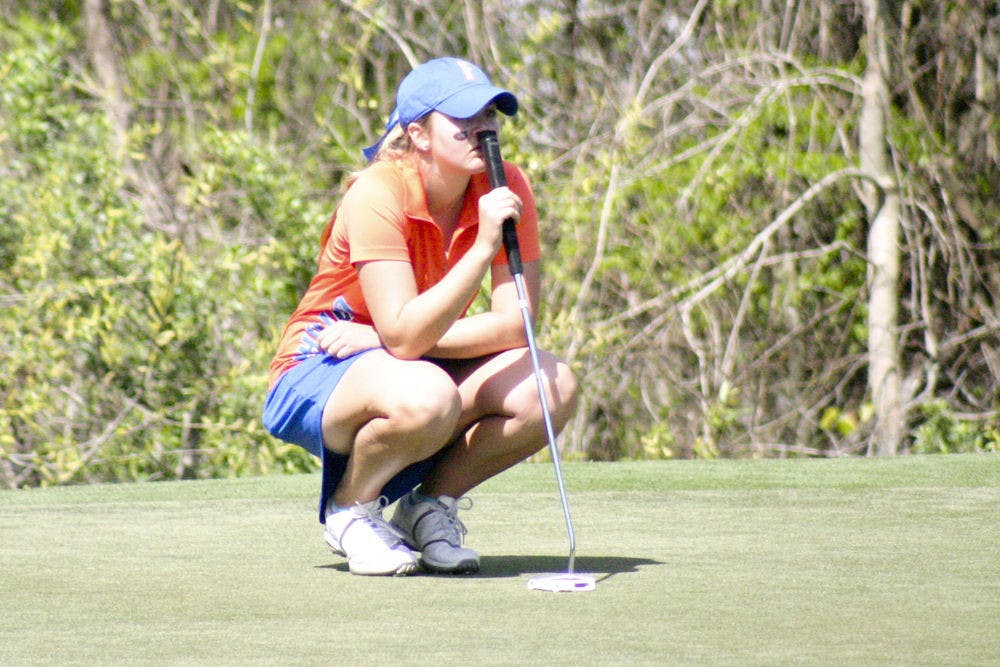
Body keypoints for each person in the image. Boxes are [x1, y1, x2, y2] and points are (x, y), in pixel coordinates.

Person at [262, 57, 578, 576]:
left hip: (390, 352)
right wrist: (479, 251)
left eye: (490, 118)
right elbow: (405, 336)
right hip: (320, 359)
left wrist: (383, 340)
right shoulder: (377, 192)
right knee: (429, 395)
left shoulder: (507, 187)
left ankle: (429, 507)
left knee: (551, 384)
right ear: (419, 134)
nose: (484, 131)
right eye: (464, 122)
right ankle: (350, 510)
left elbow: (515, 325)